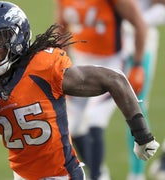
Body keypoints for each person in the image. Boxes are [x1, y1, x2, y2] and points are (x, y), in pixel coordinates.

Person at [0, 1, 159, 180]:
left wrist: (142, 134)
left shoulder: (44, 67)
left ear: (17, 38)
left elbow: (115, 79)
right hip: (22, 177)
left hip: (64, 175)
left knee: (90, 121)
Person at [56, 0, 148, 179]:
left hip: (111, 66)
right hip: (81, 66)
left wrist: (137, 64)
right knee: (70, 124)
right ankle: (98, 171)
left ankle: (96, 175)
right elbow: (61, 28)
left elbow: (139, 23)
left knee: (94, 119)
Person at [122, 1, 165, 180]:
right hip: (104, 40)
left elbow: (161, 8)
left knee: (135, 105)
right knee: (89, 115)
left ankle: (137, 174)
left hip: (138, 39)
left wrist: (136, 21)